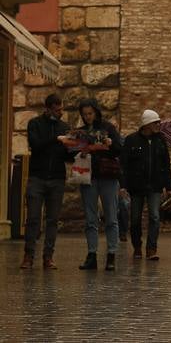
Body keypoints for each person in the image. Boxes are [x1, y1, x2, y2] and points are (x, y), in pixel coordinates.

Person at [20, 93, 72, 270]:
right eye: (57, 110)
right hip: (37, 177)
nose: (61, 113)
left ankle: (48, 257)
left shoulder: (65, 127)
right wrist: (56, 139)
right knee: (33, 218)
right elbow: (35, 145)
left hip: (57, 178)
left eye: (61, 109)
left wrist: (78, 149)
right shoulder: (35, 124)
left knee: (52, 219)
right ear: (48, 109)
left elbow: (67, 156)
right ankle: (28, 255)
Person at [75, 98, 122, 271]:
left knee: (111, 215)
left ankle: (111, 254)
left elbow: (119, 149)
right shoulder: (80, 131)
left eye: (90, 113)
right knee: (90, 217)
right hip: (88, 175)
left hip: (107, 175)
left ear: (96, 112)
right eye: (84, 114)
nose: (88, 117)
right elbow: (69, 152)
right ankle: (92, 254)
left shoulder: (108, 128)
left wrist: (109, 144)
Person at [121, 109, 171, 260]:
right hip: (136, 186)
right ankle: (137, 246)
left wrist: (169, 187)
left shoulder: (160, 140)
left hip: (155, 186)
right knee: (135, 218)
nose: (158, 125)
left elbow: (166, 164)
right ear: (147, 124)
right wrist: (123, 185)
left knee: (155, 217)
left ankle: (151, 248)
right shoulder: (131, 140)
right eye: (155, 122)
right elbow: (124, 164)